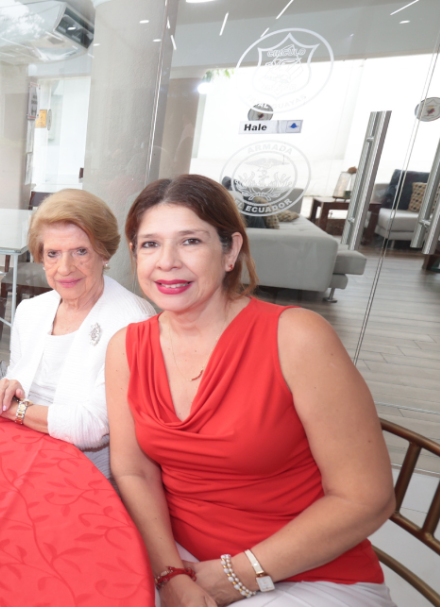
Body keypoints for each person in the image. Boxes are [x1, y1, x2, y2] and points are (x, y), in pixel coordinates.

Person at [105, 174, 395, 606]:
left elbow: (367, 498)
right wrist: (169, 575)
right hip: (182, 562)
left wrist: (236, 576)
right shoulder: (126, 348)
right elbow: (134, 471)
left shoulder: (296, 337)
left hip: (305, 572)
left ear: (230, 252)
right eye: (149, 244)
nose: (166, 261)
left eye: (190, 241)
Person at [0, 190, 154, 480]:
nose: (65, 268)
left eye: (81, 251)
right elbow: (19, 380)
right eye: (53, 254)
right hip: (20, 449)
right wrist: (8, 388)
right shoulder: (30, 310)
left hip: (79, 473)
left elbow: (93, 425)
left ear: (104, 252)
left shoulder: (134, 319)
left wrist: (4, 407)